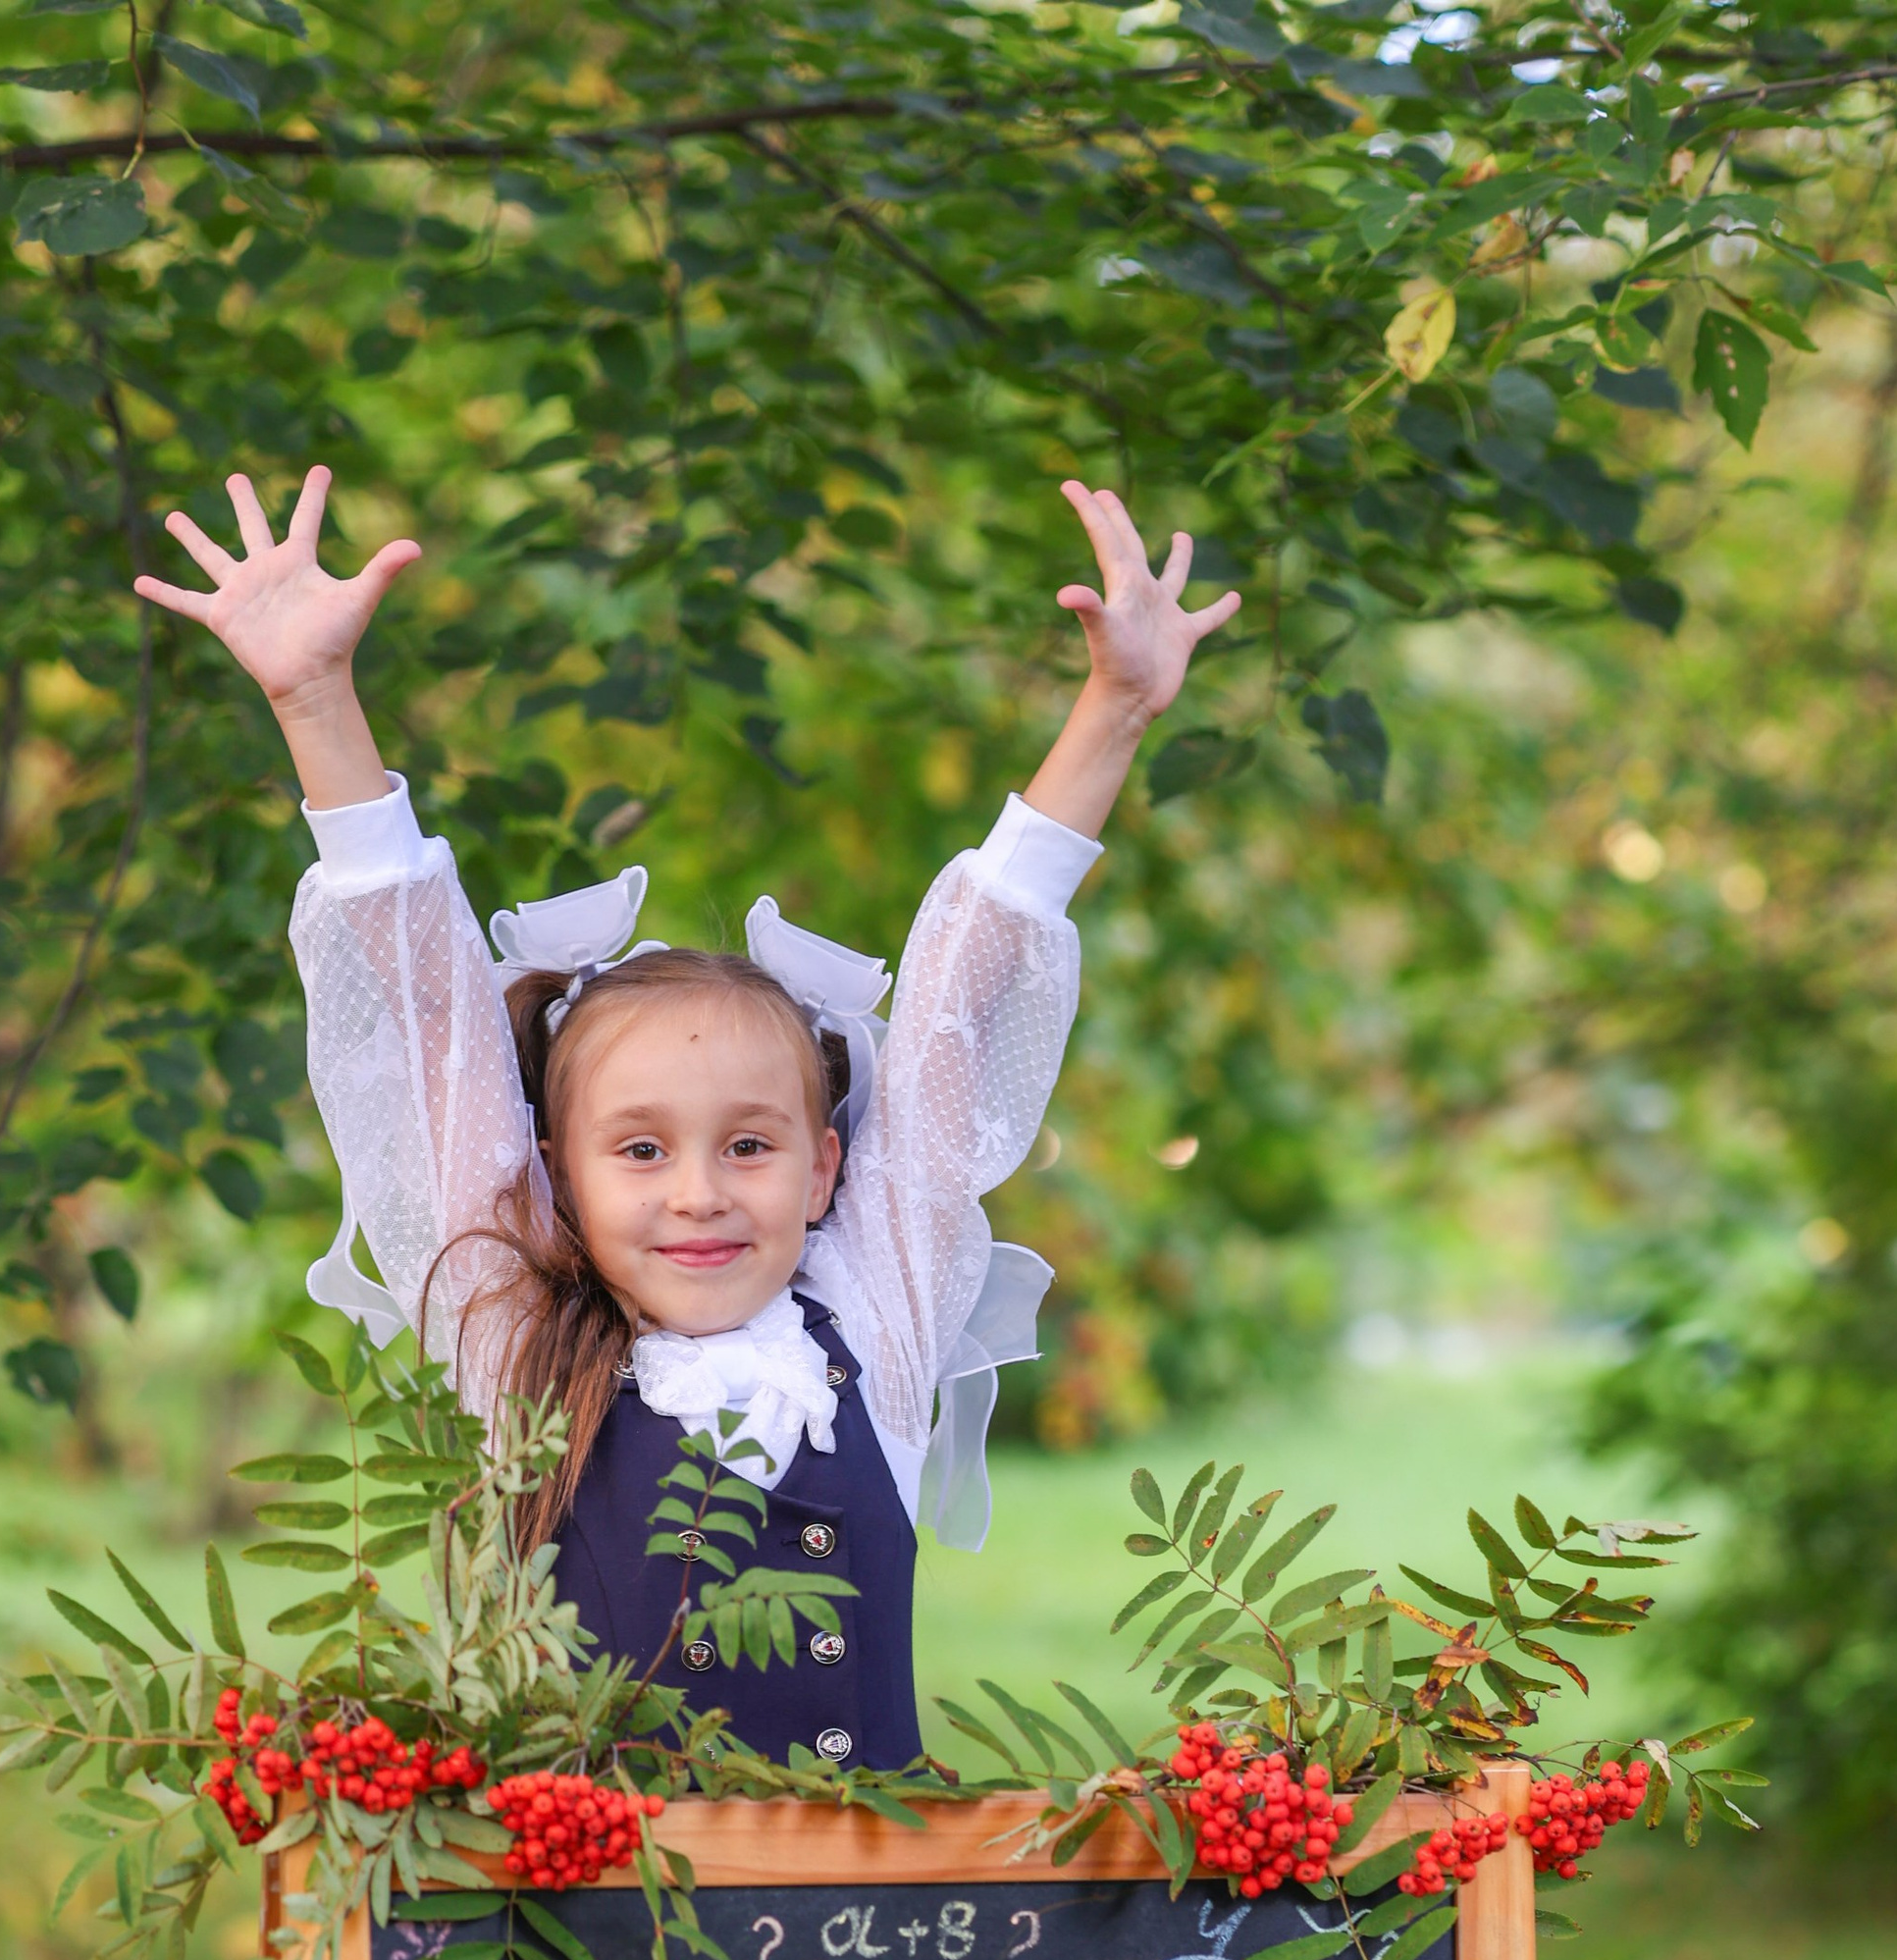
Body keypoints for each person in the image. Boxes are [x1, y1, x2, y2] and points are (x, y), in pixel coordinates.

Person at [137, 465, 1238, 1771]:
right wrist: (314, 700)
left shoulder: (878, 1327)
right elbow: (432, 1019)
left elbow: (961, 1003)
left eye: (753, 1146)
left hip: (859, 1944)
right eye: (642, 1150)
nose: (701, 1193)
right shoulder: (518, 1348)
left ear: (828, 1168)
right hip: (592, 1947)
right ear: (555, 1174)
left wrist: (1114, 708)